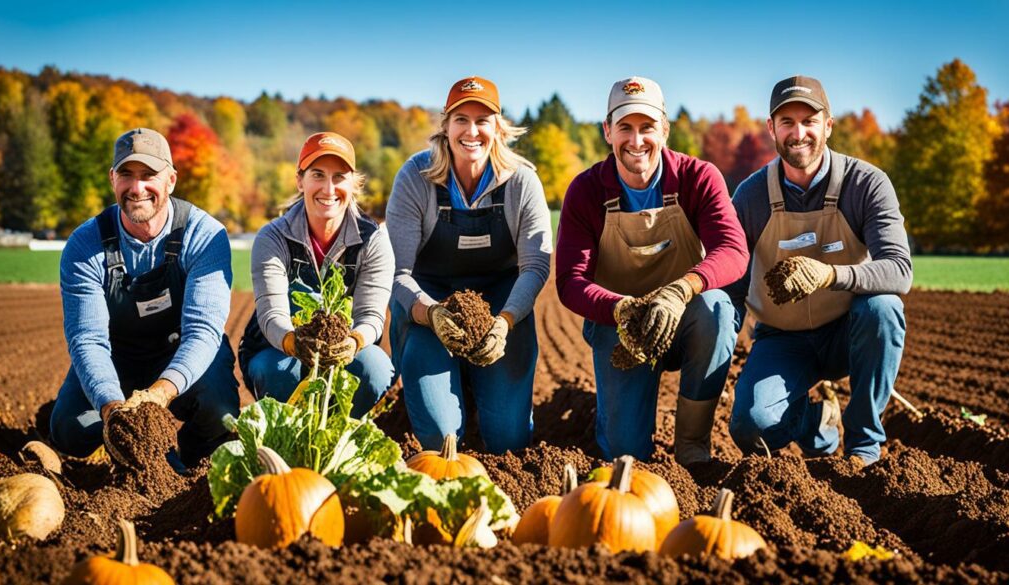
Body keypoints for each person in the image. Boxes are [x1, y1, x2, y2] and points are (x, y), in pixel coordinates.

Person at [556, 77, 749, 464]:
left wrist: (680, 291)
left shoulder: (698, 177)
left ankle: (692, 445)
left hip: (688, 318)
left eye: (647, 127)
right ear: (607, 131)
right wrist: (623, 309)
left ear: (664, 129)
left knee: (717, 309)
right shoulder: (586, 190)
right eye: (625, 127)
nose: (636, 140)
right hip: (620, 326)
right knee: (626, 454)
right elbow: (570, 281)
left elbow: (733, 250)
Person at [726, 75, 911, 466]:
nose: (799, 133)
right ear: (771, 129)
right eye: (787, 122)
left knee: (883, 309)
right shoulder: (752, 196)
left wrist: (830, 275)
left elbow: (898, 269)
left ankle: (863, 444)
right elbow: (734, 287)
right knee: (751, 427)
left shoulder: (866, 184)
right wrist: (715, 353)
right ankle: (817, 422)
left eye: (809, 121)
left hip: (848, 329)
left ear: (828, 125)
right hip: (782, 338)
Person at [51, 128, 239, 466]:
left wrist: (160, 393)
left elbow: (203, 332)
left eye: (149, 175)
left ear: (171, 180)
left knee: (219, 411)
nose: (137, 188)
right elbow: (88, 340)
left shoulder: (204, 235)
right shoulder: (85, 246)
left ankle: (187, 455)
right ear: (112, 179)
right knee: (69, 430)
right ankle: (120, 451)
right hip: (117, 358)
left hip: (180, 351)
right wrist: (111, 408)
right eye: (126, 174)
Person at [387, 76, 552, 453]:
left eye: (483, 120)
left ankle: (483, 390)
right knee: (440, 440)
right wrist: (432, 315)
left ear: (498, 127)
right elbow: (397, 273)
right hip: (429, 306)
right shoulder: (415, 178)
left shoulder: (521, 182)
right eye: (461, 119)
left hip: (501, 305)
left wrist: (505, 322)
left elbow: (535, 266)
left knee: (508, 442)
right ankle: (450, 385)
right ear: (445, 126)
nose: (472, 131)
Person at [239, 132, 395, 416]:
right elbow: (272, 316)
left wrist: (353, 342)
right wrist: (293, 343)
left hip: (346, 351)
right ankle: (285, 439)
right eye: (318, 175)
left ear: (353, 183)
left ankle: (342, 427)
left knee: (375, 368)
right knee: (276, 372)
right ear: (300, 180)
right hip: (280, 350)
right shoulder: (274, 237)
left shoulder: (372, 240)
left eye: (339, 177)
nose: (329, 188)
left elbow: (371, 317)